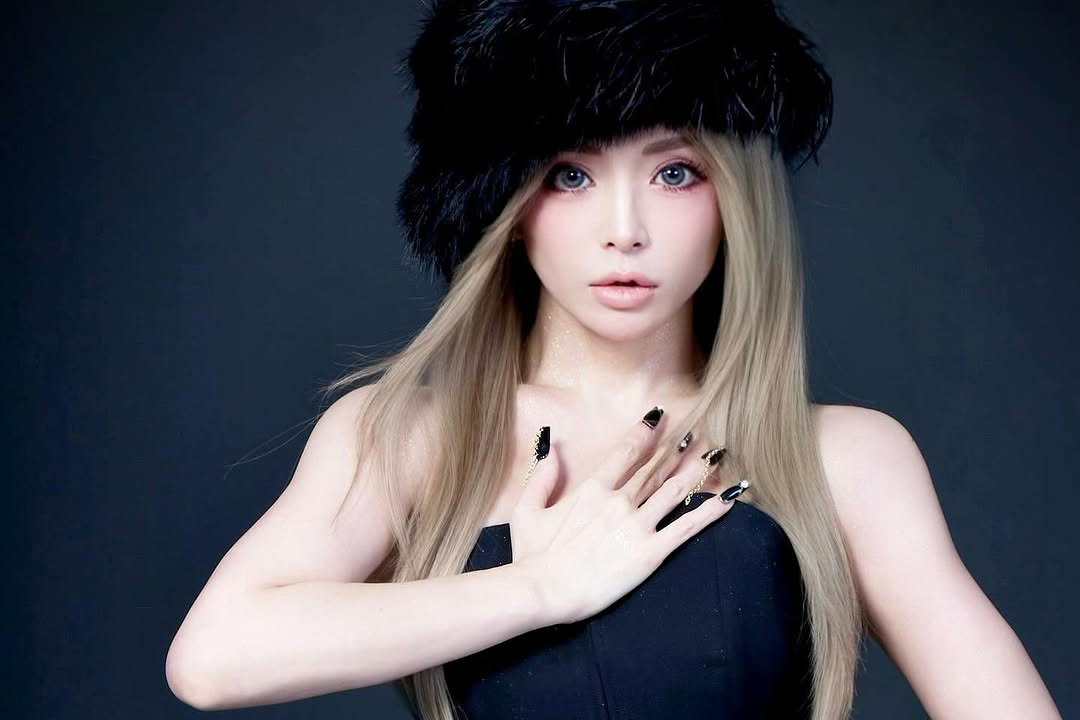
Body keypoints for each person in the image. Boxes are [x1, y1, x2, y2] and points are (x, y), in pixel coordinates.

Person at [165, 1, 1062, 719]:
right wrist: (542, 586)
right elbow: (214, 659)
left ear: (736, 201)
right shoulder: (410, 434)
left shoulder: (847, 458)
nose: (623, 230)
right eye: (571, 174)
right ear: (509, 204)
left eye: (675, 173)